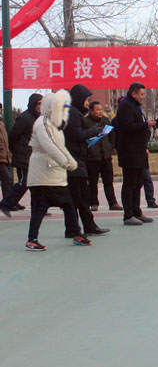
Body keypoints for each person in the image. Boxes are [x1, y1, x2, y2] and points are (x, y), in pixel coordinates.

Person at [24, 90, 92, 251]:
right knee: (53, 205)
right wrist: (66, 162)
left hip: (53, 173)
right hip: (43, 173)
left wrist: (70, 161)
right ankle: (33, 239)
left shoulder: (54, 124)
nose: (63, 111)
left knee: (65, 204)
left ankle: (74, 233)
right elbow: (50, 147)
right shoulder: (42, 124)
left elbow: (60, 147)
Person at [64, 84, 110, 237]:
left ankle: (88, 226)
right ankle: (72, 229)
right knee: (76, 198)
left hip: (78, 160)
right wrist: (94, 131)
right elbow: (76, 135)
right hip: (74, 162)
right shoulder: (73, 113)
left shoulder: (75, 113)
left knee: (83, 197)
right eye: (86, 100)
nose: (87, 103)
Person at [116, 82, 156, 225]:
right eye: (142, 94)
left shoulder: (135, 107)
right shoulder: (126, 106)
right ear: (133, 94)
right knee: (130, 183)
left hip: (139, 151)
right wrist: (146, 125)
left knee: (138, 182)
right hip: (130, 152)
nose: (143, 97)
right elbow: (128, 126)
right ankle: (128, 215)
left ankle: (136, 212)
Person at [0, 93, 42, 217]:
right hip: (23, 156)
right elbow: (13, 135)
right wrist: (15, 150)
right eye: (38, 104)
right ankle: (6, 203)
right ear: (33, 104)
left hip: (33, 156)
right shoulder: (24, 118)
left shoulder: (38, 118)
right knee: (24, 182)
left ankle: (38, 208)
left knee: (36, 184)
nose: (40, 106)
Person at [85, 101, 122, 211]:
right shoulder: (85, 122)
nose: (100, 112)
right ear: (91, 111)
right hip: (92, 157)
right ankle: (93, 203)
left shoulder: (105, 121)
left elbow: (112, 135)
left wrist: (110, 147)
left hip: (105, 156)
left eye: (101, 109)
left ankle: (112, 203)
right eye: (97, 110)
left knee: (108, 181)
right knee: (92, 182)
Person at [0, 102, 12, 199]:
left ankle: (9, 200)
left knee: (8, 179)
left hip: (5, 156)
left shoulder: (1, 124)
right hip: (1, 157)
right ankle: (7, 202)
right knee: (7, 178)